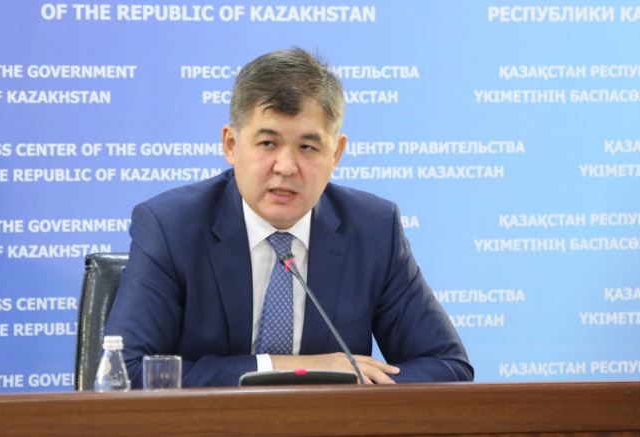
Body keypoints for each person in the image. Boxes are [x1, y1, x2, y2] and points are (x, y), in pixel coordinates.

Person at [105, 48, 472, 387]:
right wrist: (296, 369)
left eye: (307, 147)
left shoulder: (373, 229)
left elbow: (448, 367)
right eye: (268, 143)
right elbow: (129, 372)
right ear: (231, 145)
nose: (286, 167)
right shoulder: (171, 226)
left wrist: (357, 391)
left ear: (336, 154)